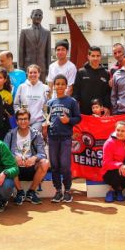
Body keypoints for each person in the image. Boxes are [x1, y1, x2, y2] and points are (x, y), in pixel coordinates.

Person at [45, 74, 81, 203]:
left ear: (66, 86)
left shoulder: (71, 101)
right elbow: (47, 118)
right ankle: (58, 190)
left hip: (66, 137)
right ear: (54, 86)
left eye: (62, 84)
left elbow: (78, 118)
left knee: (65, 165)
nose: (60, 86)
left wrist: (68, 120)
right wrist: (45, 128)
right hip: (52, 137)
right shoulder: (50, 103)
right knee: (54, 165)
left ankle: (67, 190)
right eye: (57, 84)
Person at [4, 109, 49, 205]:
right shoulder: (10, 134)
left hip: (31, 167)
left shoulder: (36, 134)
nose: (23, 121)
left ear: (29, 120)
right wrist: (14, 157)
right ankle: (20, 192)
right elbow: (4, 153)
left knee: (45, 162)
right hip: (15, 169)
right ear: (16, 121)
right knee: (8, 162)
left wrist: (34, 158)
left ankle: (31, 192)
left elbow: (42, 154)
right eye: (20, 119)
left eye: (25, 119)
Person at [101, 120, 125, 202]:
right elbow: (106, 163)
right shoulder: (109, 143)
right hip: (110, 173)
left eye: (122, 131)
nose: (119, 133)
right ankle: (112, 190)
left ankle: (118, 189)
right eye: (118, 130)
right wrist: (120, 165)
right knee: (121, 170)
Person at [73, 46, 111, 115]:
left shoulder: (106, 73)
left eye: (98, 56)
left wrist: (107, 107)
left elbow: (107, 93)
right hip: (84, 112)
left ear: (100, 57)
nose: (95, 58)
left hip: (100, 113)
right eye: (93, 56)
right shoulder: (81, 72)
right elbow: (76, 91)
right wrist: (75, 105)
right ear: (88, 57)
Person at [18, 8, 51, 82]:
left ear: (42, 17)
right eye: (36, 15)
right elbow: (21, 50)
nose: (38, 17)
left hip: (42, 68)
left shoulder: (47, 32)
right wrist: (21, 67)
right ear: (31, 16)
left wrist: (48, 68)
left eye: (40, 15)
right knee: (28, 87)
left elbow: (48, 52)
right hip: (28, 68)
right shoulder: (24, 31)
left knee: (42, 87)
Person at [14, 64, 49, 131]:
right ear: (27, 74)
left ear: (39, 74)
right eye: (30, 73)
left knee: (32, 135)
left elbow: (47, 105)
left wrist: (46, 120)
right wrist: (20, 115)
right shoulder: (21, 87)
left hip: (38, 121)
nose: (33, 74)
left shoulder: (45, 88)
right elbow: (16, 104)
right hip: (24, 121)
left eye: (35, 72)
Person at [0, 67, 14, 140]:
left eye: (0, 77)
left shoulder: (8, 94)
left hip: (3, 125)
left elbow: (11, 113)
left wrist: (4, 105)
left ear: (5, 80)